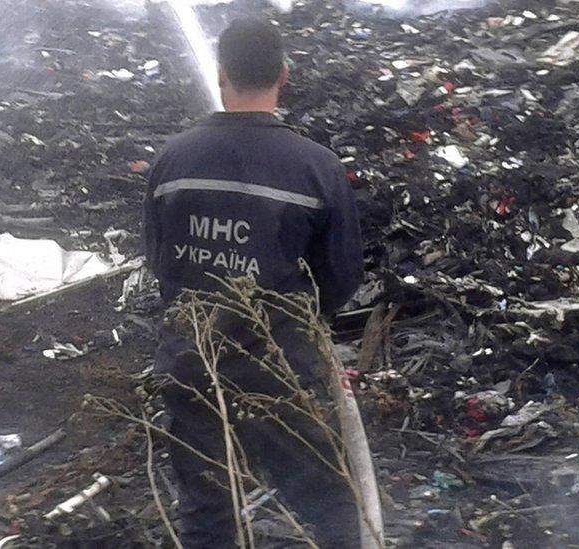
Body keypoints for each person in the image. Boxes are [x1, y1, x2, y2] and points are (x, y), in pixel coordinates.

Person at [143, 17, 364, 549]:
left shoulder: (173, 159)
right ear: (284, 76)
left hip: (192, 360)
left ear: (220, 74)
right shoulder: (317, 168)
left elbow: (159, 260)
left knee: (207, 510)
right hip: (278, 367)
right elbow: (341, 279)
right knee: (328, 504)